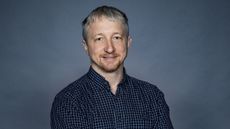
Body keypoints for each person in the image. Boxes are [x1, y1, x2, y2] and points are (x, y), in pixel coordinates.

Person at [50, 5, 174, 129]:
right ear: (86, 46)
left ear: (128, 42)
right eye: (99, 39)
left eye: (116, 38)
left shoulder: (152, 96)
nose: (109, 48)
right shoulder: (68, 101)